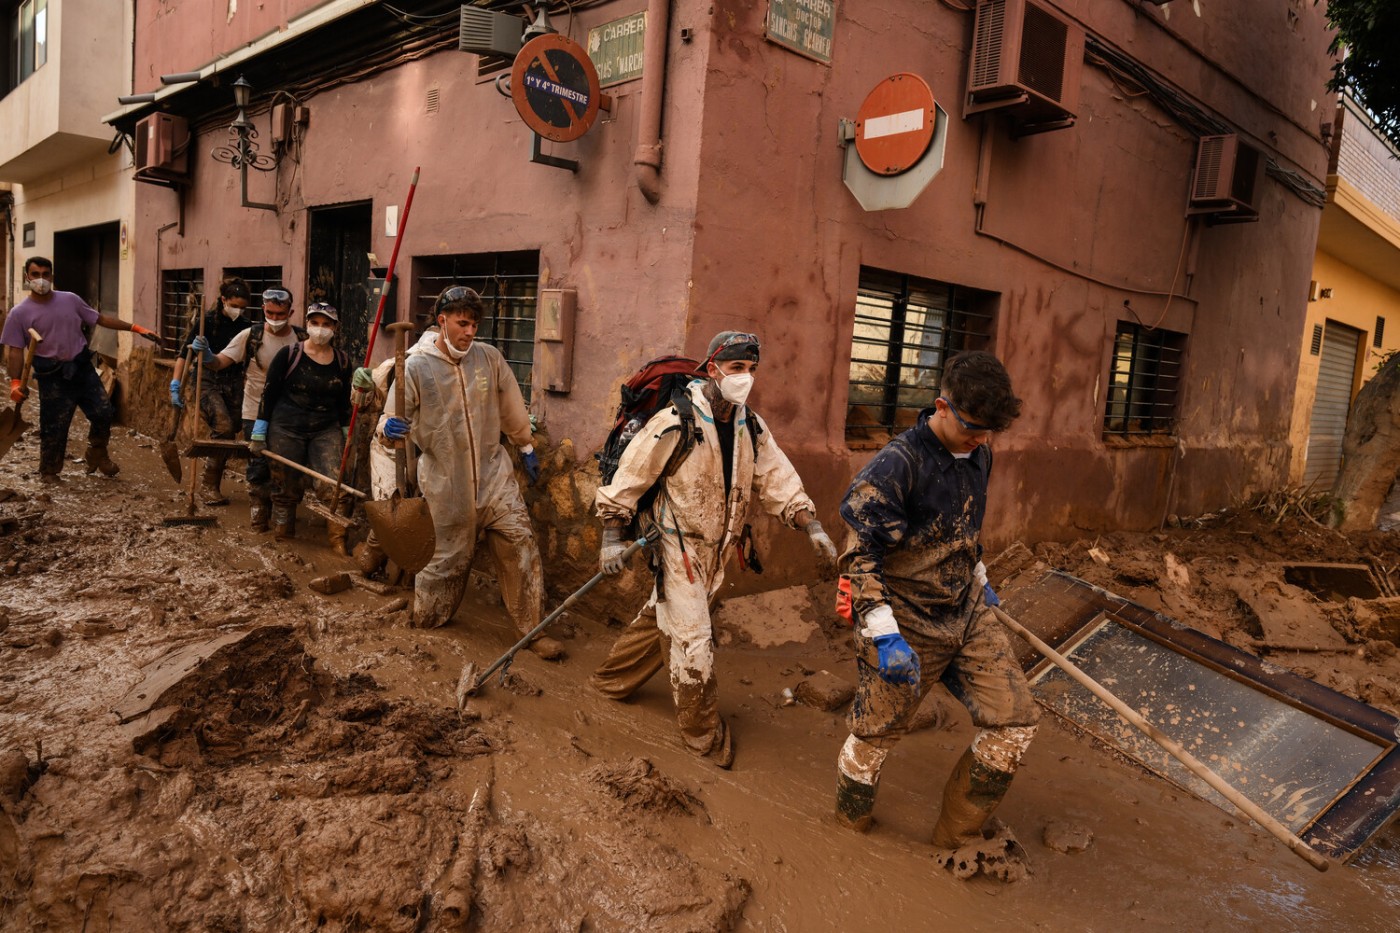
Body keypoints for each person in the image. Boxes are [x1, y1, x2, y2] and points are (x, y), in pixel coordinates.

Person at [832, 350, 1037, 881]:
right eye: (974, 428)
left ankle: (956, 837)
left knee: (1014, 725)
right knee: (874, 738)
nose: (983, 440)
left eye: (992, 432)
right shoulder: (895, 466)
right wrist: (883, 635)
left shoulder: (980, 452)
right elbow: (860, 559)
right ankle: (846, 831)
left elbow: (963, 529)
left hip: (965, 610)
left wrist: (982, 580)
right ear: (942, 407)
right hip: (904, 619)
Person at [590, 331, 837, 768]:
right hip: (677, 546)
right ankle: (702, 732)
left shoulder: (750, 426)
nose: (745, 378)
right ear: (712, 369)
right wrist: (611, 539)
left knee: (662, 616)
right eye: (737, 368)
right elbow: (628, 481)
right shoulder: (674, 421)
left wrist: (811, 525)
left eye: (752, 369)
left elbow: (779, 480)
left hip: (717, 552)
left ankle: (611, 680)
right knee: (694, 641)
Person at [376, 286, 562, 660]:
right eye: (462, 323)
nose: (470, 331)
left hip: (495, 477)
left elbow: (510, 404)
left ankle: (532, 630)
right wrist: (387, 429)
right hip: (446, 484)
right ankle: (426, 621)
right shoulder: (415, 366)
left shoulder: (489, 359)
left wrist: (524, 444)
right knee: (445, 561)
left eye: (475, 324)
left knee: (521, 547)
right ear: (441, 321)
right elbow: (393, 418)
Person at [2, 256, 159, 483]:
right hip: (52, 376)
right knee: (54, 425)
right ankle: (49, 471)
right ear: (27, 277)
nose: (41, 280)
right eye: (35, 275)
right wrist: (15, 383)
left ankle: (97, 452)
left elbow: (101, 319)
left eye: (46, 274)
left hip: (81, 368)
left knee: (104, 412)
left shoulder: (70, 300)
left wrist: (134, 328)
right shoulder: (19, 313)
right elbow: (15, 351)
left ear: (52, 276)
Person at [193, 287, 303, 531]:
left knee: (285, 463)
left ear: (290, 311)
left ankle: (282, 510)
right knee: (258, 461)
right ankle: (258, 508)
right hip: (253, 410)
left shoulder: (301, 339)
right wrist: (208, 356)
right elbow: (221, 362)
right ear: (264, 310)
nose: (274, 319)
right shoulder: (250, 336)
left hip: (288, 413)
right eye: (270, 313)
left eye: (280, 314)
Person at [248, 302, 352, 545]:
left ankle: (338, 541)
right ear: (307, 324)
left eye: (326, 324)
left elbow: (345, 402)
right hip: (286, 427)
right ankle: (284, 536)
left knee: (334, 483)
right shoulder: (290, 354)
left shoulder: (343, 362)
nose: (320, 329)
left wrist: (347, 431)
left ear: (335, 328)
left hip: (325, 429)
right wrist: (259, 430)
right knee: (285, 483)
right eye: (315, 323)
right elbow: (269, 392)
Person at [171, 276, 253, 505]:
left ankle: (212, 479)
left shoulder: (247, 327)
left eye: (242, 307)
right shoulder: (207, 322)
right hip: (207, 379)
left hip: (234, 380)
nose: (238, 310)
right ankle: (209, 485)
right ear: (224, 300)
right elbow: (182, 356)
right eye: (234, 305)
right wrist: (175, 385)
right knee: (224, 427)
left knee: (233, 428)